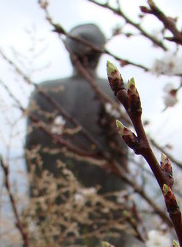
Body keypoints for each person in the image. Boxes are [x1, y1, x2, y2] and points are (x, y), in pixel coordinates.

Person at [24, 24, 128, 222]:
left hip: (54, 202)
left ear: (70, 53)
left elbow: (32, 149)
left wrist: (39, 197)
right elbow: (122, 147)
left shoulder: (45, 91)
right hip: (107, 203)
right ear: (100, 53)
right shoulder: (114, 90)